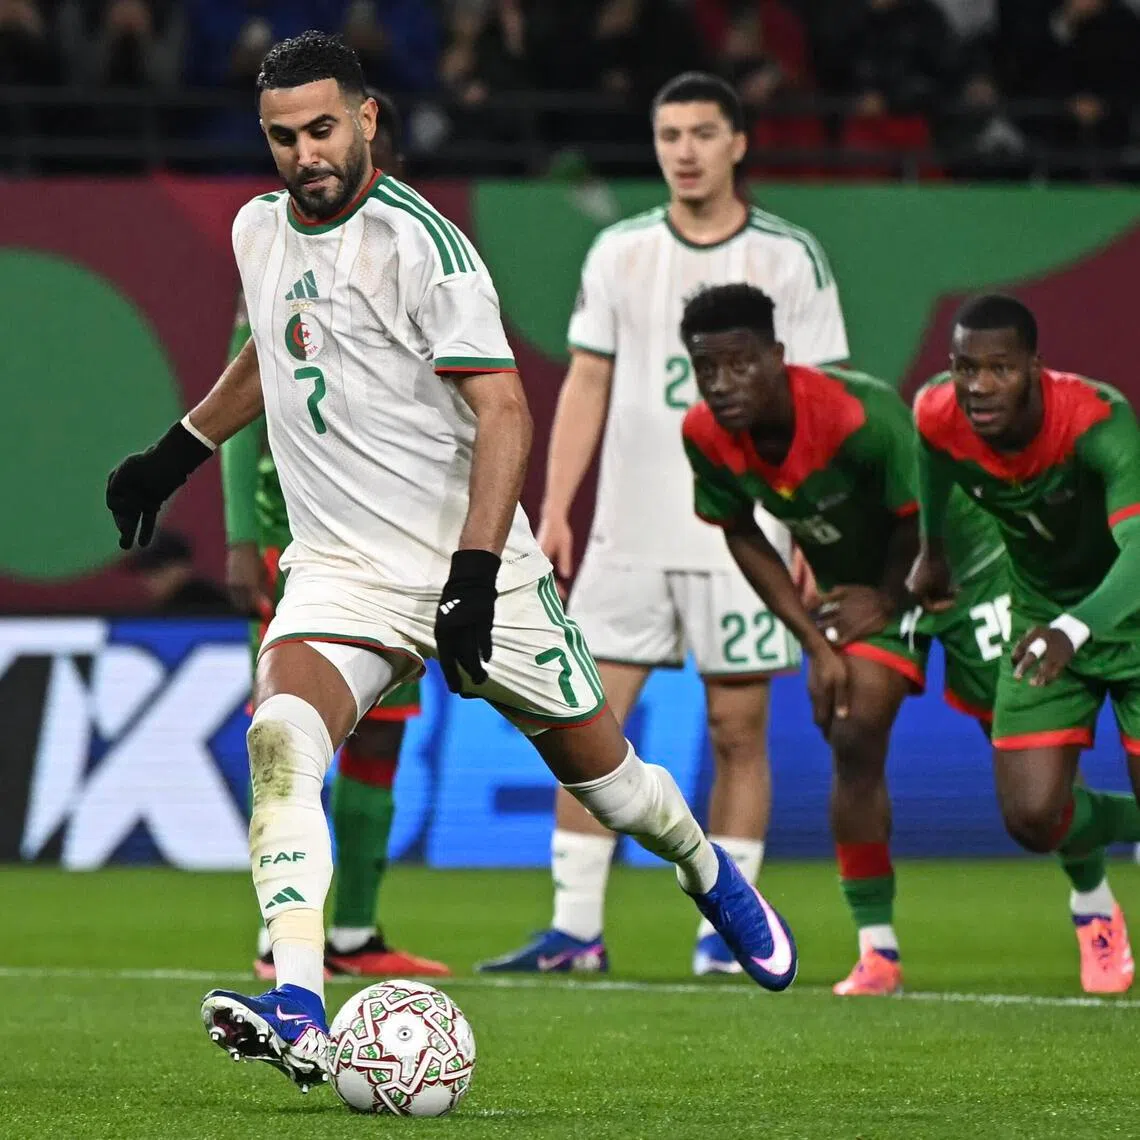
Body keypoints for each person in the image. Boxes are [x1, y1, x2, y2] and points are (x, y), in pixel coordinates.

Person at [105, 32, 798, 1094]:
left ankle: (707, 869)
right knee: (282, 740)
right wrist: (177, 451)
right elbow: (277, 351)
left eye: (323, 129)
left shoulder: (424, 245)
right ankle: (298, 1000)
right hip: (339, 569)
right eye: (283, 137)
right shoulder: (258, 230)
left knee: (611, 788)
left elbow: (505, 406)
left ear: (369, 118)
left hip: (471, 562)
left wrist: (475, 572)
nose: (305, 154)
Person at [480, 71, 846, 978]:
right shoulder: (619, 251)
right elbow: (587, 386)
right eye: (669, 133)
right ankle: (574, 931)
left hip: (746, 534)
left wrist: (814, 537)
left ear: (738, 144)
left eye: (702, 133)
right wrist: (557, 508)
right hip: (630, 531)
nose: (683, 151)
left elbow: (823, 403)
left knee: (737, 729)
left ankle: (728, 935)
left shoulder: (789, 258)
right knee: (580, 717)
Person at [675, 282, 1093, 996]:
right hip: (855, 590)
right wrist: (814, 642)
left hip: (963, 568)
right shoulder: (705, 435)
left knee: (1032, 780)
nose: (723, 384)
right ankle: (878, 951)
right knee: (852, 731)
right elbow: (742, 533)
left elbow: (921, 520)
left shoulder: (856, 415)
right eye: (706, 369)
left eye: (740, 364)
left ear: (778, 357)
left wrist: (889, 596)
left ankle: (1094, 904)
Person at [221, 89, 448, 983]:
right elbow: (239, 403)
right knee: (295, 735)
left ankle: (353, 932)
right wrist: (245, 538)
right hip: (299, 544)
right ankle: (285, 941)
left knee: (385, 736)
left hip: (392, 546)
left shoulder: (415, 274)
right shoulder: (277, 264)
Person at [909, 292, 1140, 993]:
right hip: (1041, 618)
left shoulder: (1098, 422)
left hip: (1124, 616)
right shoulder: (938, 413)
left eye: (999, 369)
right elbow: (934, 461)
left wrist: (1077, 628)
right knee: (1034, 817)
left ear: (1035, 368)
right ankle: (1094, 902)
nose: (977, 386)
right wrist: (933, 549)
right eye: (964, 368)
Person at [124, 529, 232, 614]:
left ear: (182, 569)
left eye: (155, 570)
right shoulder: (162, 607)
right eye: (144, 572)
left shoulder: (210, 608)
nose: (148, 580)